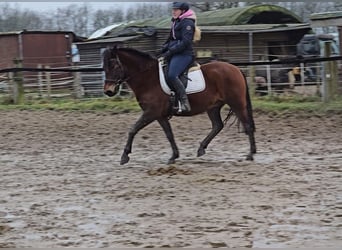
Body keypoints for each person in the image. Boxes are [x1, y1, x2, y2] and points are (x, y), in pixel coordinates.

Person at [160, 2, 199, 113]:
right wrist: (163, 49)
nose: (173, 11)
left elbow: (185, 42)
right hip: (175, 53)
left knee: (172, 75)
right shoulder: (176, 22)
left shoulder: (187, 23)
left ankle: (184, 102)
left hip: (185, 54)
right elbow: (171, 39)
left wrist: (170, 51)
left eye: (176, 10)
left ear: (183, 11)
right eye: (173, 9)